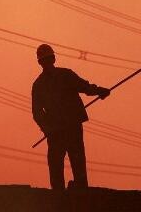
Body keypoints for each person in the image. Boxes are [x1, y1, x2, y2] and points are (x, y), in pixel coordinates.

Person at [31, 43, 111, 190]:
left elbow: (37, 113)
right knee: (70, 164)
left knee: (68, 165)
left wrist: (100, 91)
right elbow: (85, 87)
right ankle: (70, 197)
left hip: (62, 130)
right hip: (63, 130)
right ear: (52, 59)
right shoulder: (61, 77)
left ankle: (66, 197)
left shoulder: (42, 83)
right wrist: (48, 129)